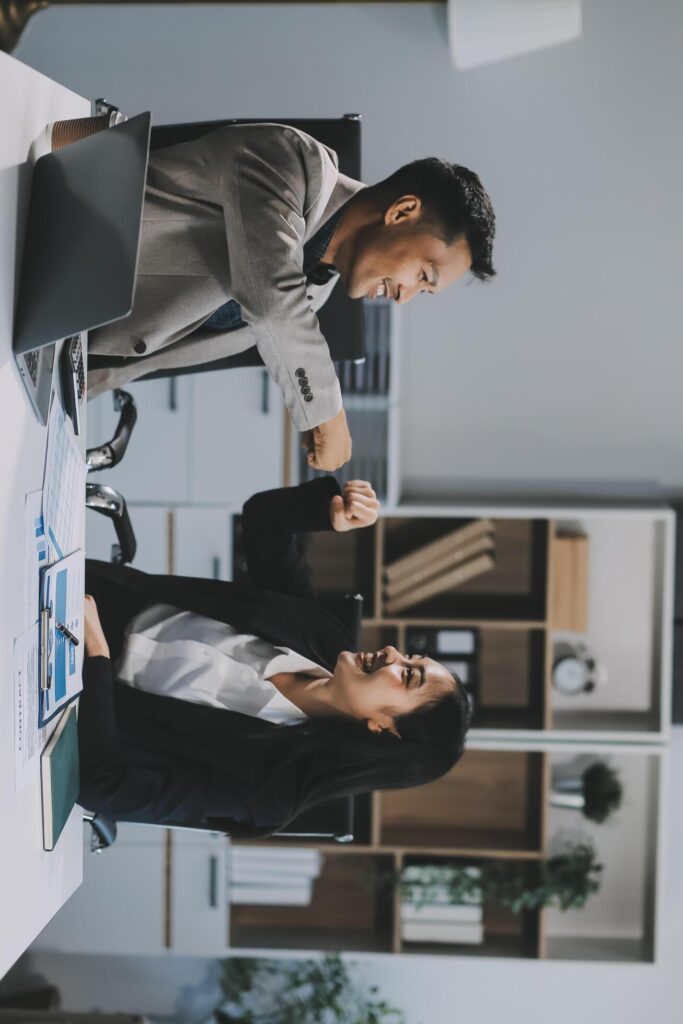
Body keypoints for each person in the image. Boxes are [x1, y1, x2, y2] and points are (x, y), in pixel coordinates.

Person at [87, 123, 496, 471]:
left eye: (424, 291)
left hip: (69, 349)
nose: (405, 298)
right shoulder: (293, 163)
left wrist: (91, 381)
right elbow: (269, 300)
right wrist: (329, 417)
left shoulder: (315, 292)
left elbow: (159, 350)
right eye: (423, 274)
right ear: (402, 212)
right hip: (64, 255)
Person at [80, 476, 472, 838]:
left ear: (384, 729)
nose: (392, 654)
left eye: (407, 676)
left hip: (67, 697)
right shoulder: (324, 635)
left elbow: (103, 786)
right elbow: (264, 523)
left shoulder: (268, 790)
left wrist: (97, 657)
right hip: (89, 592)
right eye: (409, 657)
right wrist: (330, 512)